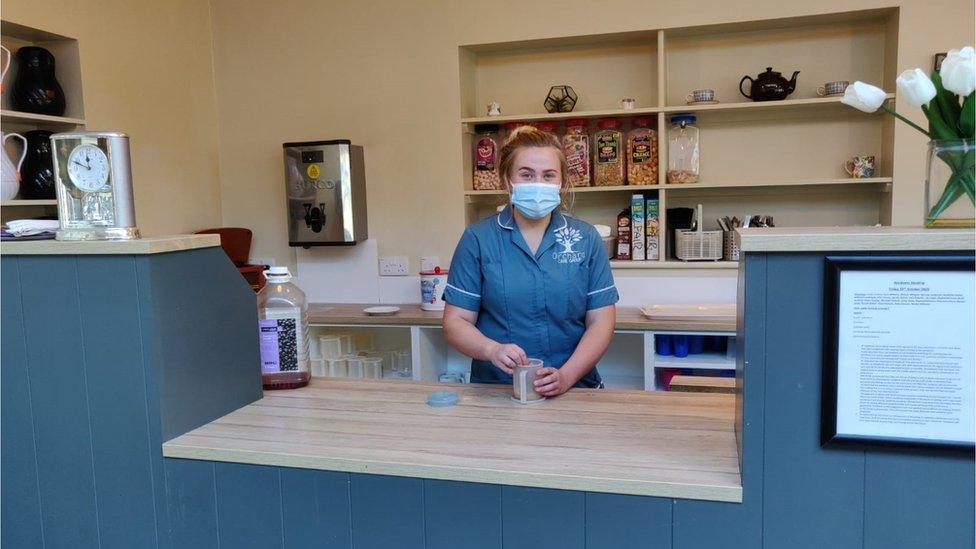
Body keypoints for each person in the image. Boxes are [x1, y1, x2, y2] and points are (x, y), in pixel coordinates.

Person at [442, 126, 618, 396]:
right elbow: (456, 322)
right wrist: (492, 349)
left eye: (548, 175)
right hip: (498, 391)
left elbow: (601, 322)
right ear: (507, 181)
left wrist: (566, 376)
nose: (538, 184)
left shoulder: (585, 238)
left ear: (562, 182)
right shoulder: (478, 239)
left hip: (576, 390)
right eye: (526, 174)